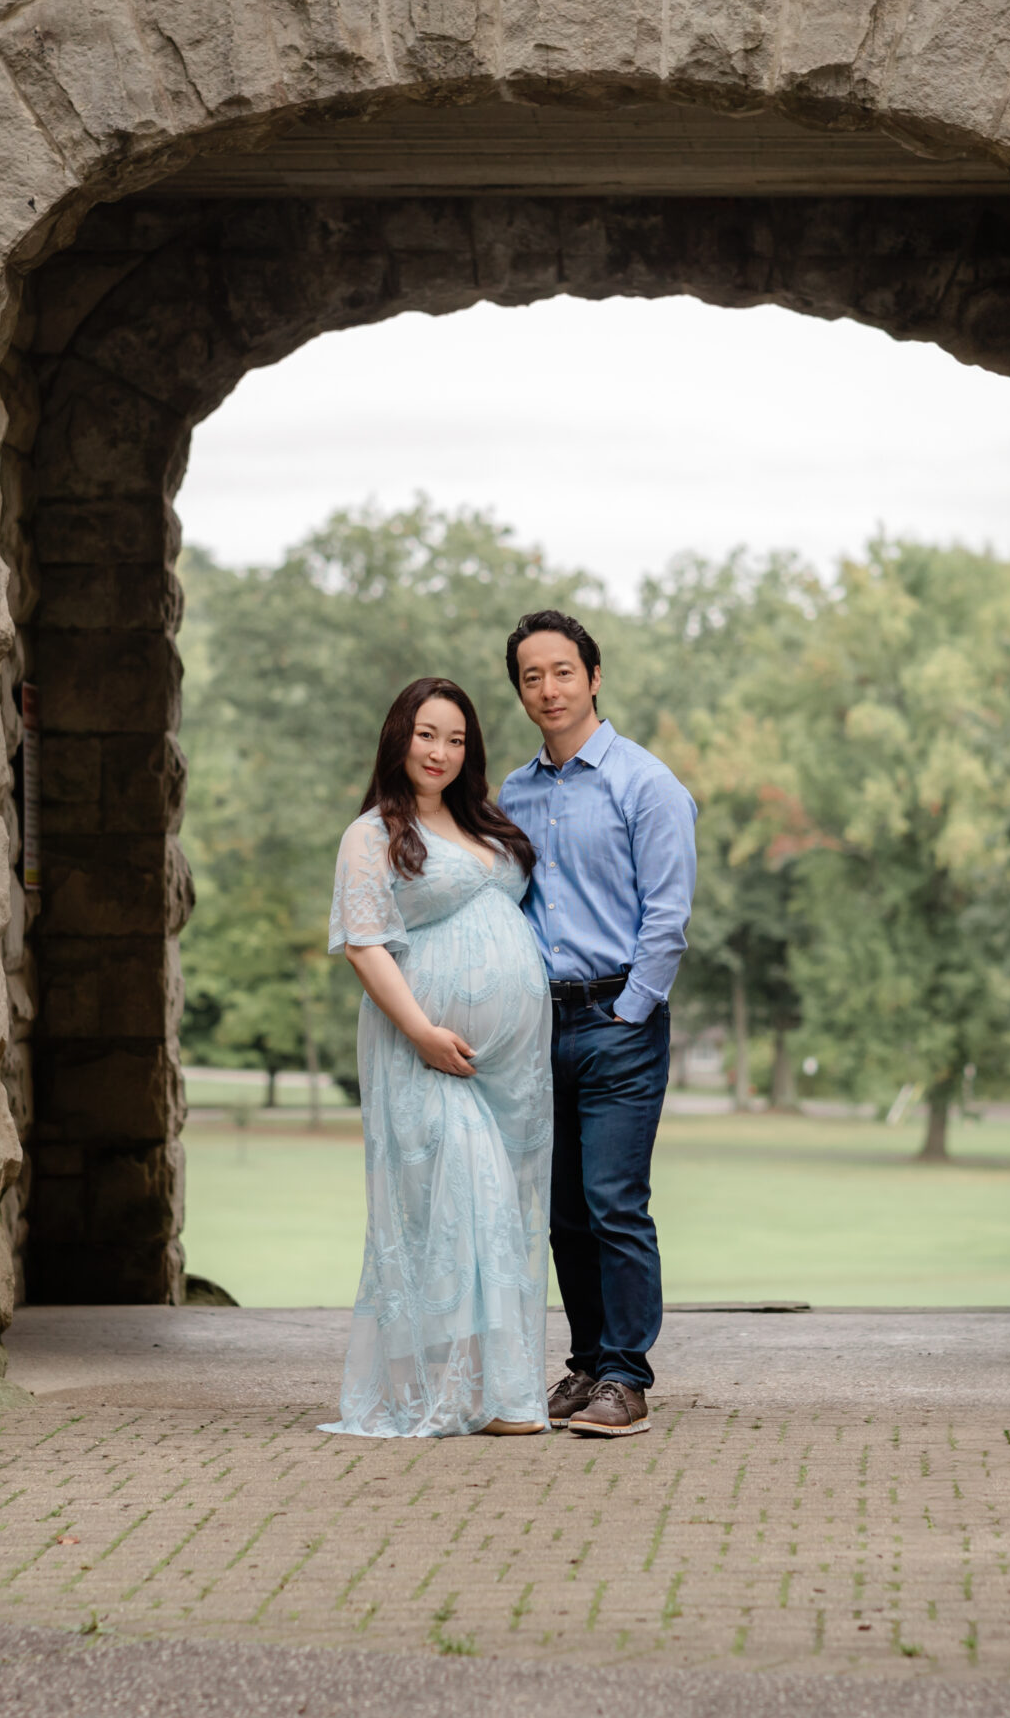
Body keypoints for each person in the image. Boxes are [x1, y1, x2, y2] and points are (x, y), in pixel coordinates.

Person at [321, 676, 554, 1438]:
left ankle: (496, 1387)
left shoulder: (483, 823)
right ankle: (446, 1390)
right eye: (427, 734)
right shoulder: (371, 834)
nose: (440, 752)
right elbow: (364, 944)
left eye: (455, 739)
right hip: (421, 1050)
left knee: (502, 1216)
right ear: (399, 736)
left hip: (509, 1074)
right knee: (458, 1207)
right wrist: (422, 1030)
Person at [497, 610, 697, 1440]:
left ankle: (628, 1377)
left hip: (619, 1019)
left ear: (594, 677)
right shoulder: (513, 792)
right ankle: (586, 1365)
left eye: (562, 672)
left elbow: (669, 912)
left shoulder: (646, 784)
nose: (548, 688)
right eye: (532, 676)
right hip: (540, 1028)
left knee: (615, 1202)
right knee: (562, 1210)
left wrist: (632, 1006)